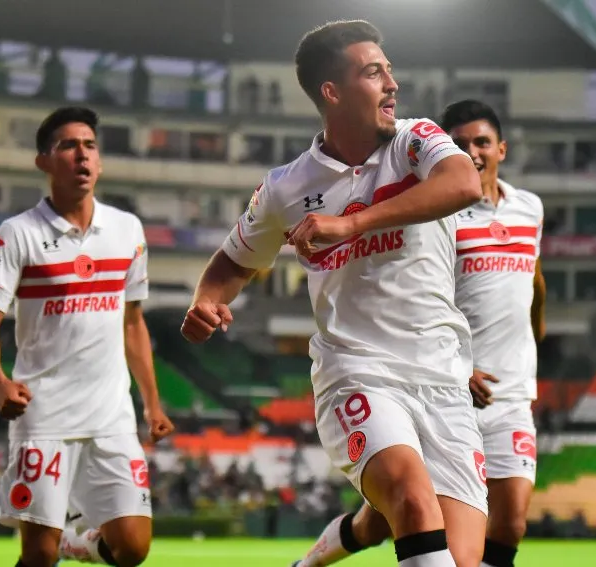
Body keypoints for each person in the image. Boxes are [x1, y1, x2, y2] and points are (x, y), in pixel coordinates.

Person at [181, 20, 486, 567]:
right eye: (373, 72)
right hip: (358, 372)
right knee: (413, 502)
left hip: (443, 377)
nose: (392, 83)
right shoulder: (285, 187)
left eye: (389, 70)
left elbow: (464, 184)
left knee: (459, 558)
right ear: (332, 91)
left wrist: (353, 223)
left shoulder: (416, 140)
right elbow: (232, 261)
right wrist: (207, 298)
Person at [292, 100, 547, 567]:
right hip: (446, 383)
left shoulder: (529, 208)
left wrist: (537, 332)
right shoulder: (435, 214)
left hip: (511, 392)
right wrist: (460, 365)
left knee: (510, 522)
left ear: (502, 149)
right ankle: (309, 562)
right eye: (460, 143)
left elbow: (534, 277)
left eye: (482, 142)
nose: (472, 151)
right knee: (383, 521)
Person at [0, 106, 174, 567]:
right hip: (44, 416)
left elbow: (132, 322)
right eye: (68, 146)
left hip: (111, 416)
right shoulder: (17, 234)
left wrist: (152, 403)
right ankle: (58, 543)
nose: (82, 154)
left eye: (90, 145)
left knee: (133, 548)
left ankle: (77, 542)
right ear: (44, 161)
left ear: (99, 162)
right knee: (39, 556)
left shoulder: (127, 230)